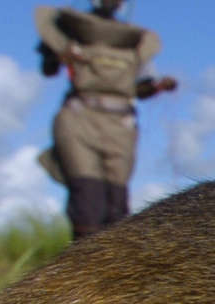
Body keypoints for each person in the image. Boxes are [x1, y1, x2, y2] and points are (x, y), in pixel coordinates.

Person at [34, 0, 177, 240]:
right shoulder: (72, 32)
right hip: (80, 120)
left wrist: (159, 86)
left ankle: (114, 262)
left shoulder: (131, 42)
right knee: (87, 201)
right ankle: (81, 260)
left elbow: (139, 89)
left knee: (117, 207)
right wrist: (58, 51)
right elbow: (48, 69)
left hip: (120, 127)